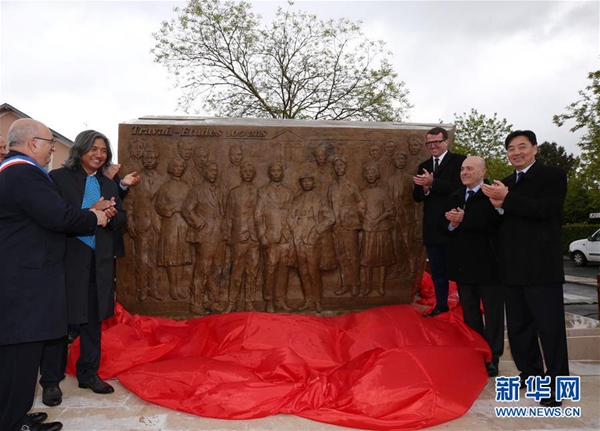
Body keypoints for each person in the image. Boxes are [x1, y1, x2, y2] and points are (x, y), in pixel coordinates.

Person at [0, 119, 107, 431]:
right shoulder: (23, 173)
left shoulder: (12, 172)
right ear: (32, 143)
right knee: (20, 361)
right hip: (25, 287)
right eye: (49, 143)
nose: (51, 149)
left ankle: (14, 416)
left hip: (19, 281)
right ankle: (12, 423)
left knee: (16, 362)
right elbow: (59, 215)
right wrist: (93, 217)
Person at [482, 130, 569, 407]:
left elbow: (544, 210)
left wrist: (507, 199)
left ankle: (557, 385)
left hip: (542, 270)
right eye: (511, 148)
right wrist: (497, 207)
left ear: (535, 149)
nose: (516, 152)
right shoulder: (505, 184)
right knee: (519, 330)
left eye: (522, 146)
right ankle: (531, 374)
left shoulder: (552, 176)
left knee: (550, 330)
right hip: (511, 270)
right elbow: (496, 227)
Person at [39, 130, 126, 409]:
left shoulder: (108, 184)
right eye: (93, 149)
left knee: (93, 321)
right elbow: (56, 218)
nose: (99, 154)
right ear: (80, 150)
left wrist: (111, 216)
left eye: (103, 150)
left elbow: (121, 219)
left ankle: (88, 373)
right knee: (59, 324)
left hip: (98, 262)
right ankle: (50, 381)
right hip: (67, 261)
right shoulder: (58, 179)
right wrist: (91, 210)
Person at [443, 156, 504, 377]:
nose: (464, 172)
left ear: (482, 171)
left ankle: (493, 357)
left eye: (469, 168)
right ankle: (477, 353)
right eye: (462, 169)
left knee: (493, 315)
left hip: (490, 266)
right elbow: (445, 228)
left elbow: (494, 225)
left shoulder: (492, 194)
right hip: (464, 267)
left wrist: (464, 220)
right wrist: (452, 224)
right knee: (470, 314)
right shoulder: (455, 196)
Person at [413, 127, 465, 317]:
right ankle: (441, 305)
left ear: (446, 142)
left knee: (460, 270)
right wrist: (425, 189)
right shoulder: (424, 165)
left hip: (454, 225)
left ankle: (466, 306)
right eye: (429, 143)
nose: (433, 146)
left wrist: (433, 183)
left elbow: (461, 188)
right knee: (437, 271)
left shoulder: (460, 161)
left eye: (437, 142)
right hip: (432, 228)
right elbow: (417, 196)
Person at [182, 160, 227, 314]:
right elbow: (186, 209)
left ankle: (213, 301)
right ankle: (196, 303)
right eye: (211, 170)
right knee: (203, 269)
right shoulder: (197, 190)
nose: (213, 173)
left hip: (219, 235)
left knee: (217, 269)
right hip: (205, 235)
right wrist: (198, 223)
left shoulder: (220, 190)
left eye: (215, 170)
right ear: (204, 172)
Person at [288, 170, 335, 313]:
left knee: (313, 271)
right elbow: (290, 217)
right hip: (299, 240)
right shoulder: (297, 199)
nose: (307, 183)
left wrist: (316, 231)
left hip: (313, 240)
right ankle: (308, 300)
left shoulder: (320, 199)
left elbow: (330, 218)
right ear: (301, 183)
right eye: (304, 181)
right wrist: (296, 230)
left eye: (309, 180)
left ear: (313, 182)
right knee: (303, 271)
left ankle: (318, 300)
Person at [255, 162, 294, 313]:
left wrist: (290, 235)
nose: (276, 173)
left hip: (285, 238)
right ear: (269, 173)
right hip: (270, 237)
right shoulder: (263, 192)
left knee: (284, 270)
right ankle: (269, 300)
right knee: (270, 270)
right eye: (274, 171)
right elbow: (258, 216)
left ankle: (281, 299)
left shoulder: (289, 192)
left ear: (282, 173)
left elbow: (293, 214)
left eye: (279, 171)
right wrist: (262, 236)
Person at [223, 161, 260, 313]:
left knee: (253, 271)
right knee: (236, 271)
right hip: (238, 236)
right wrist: (228, 235)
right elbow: (228, 216)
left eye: (250, 171)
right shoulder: (234, 193)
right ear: (241, 173)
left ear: (254, 174)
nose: (248, 173)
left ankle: (249, 302)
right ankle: (232, 302)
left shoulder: (259, 192)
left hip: (255, 237)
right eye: (245, 171)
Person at [327, 155, 365, 296]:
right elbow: (328, 206)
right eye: (336, 166)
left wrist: (356, 217)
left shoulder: (352, 185)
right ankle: (345, 284)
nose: (339, 168)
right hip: (337, 227)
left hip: (350, 226)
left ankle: (355, 284)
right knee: (341, 256)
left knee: (353, 257)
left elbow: (361, 203)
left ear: (345, 167)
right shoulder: (332, 187)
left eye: (341, 165)